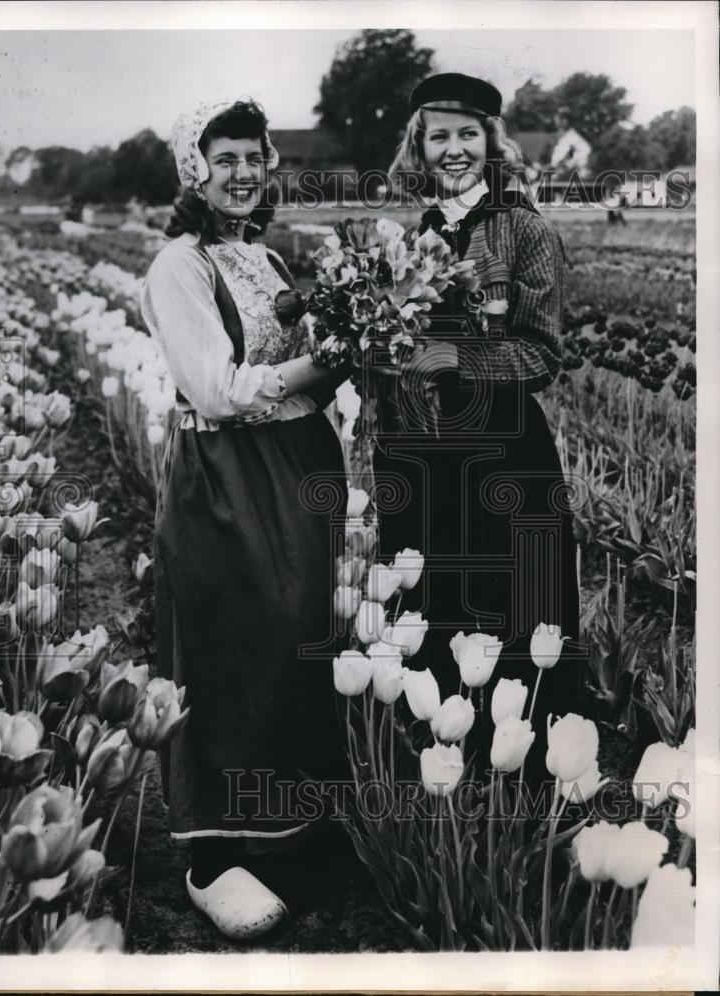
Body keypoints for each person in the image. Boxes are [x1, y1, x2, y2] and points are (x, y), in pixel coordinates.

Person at [141, 99, 349, 941]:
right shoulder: (179, 265)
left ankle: (291, 830)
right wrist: (320, 358)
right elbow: (217, 391)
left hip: (299, 465)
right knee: (233, 639)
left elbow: (302, 378)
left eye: (253, 156)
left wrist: (349, 350)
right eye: (223, 158)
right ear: (195, 169)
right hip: (228, 476)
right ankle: (210, 852)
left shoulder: (263, 255)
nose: (242, 172)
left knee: (295, 636)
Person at [379, 73, 582, 792]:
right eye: (439, 136)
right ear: (419, 147)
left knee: (514, 603)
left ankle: (523, 775)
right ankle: (449, 766)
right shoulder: (417, 234)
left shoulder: (522, 230)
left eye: (468, 134)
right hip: (429, 454)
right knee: (439, 600)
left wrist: (455, 356)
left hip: (505, 451)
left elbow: (542, 351)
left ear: (491, 142)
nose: (454, 149)